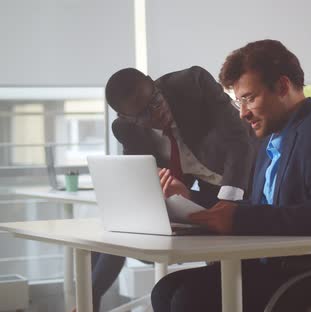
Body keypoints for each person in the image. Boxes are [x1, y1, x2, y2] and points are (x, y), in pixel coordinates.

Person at [150, 39, 311, 312]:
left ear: (282, 87)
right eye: (239, 101)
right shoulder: (270, 142)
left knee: (189, 299)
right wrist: (190, 198)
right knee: (166, 290)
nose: (243, 113)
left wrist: (238, 219)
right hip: (278, 268)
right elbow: (259, 209)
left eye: (249, 98)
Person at [87, 66, 255, 312]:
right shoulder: (125, 129)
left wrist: (228, 201)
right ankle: (88, 303)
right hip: (200, 187)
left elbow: (240, 140)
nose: (157, 110)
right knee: (116, 230)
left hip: (245, 175)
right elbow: (141, 177)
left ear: (152, 82)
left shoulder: (192, 83)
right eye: (145, 113)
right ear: (126, 117)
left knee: (226, 266)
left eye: (155, 99)